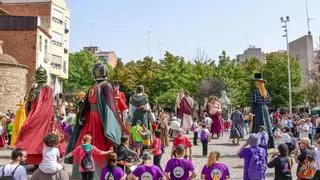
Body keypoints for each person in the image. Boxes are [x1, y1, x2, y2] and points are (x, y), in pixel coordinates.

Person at [66, 63, 127, 177]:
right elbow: (110, 106)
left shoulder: (92, 87)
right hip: (101, 120)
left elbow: (87, 105)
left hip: (90, 119)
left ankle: (82, 173)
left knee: (85, 143)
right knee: (100, 145)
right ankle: (99, 174)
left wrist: (82, 117)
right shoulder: (106, 86)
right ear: (104, 72)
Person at [16, 66, 63, 165]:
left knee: (27, 134)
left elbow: (28, 106)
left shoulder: (34, 90)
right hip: (43, 118)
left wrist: (30, 115)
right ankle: (36, 161)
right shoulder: (47, 89)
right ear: (45, 77)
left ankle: (30, 159)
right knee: (42, 139)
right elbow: (50, 106)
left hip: (33, 117)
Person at [251, 73, 274, 149]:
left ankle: (257, 144)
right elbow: (269, 100)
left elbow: (254, 102)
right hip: (265, 109)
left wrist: (252, 111)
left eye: (256, 82)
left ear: (257, 82)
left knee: (258, 125)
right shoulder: (265, 91)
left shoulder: (255, 91)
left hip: (258, 109)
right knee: (266, 124)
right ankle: (267, 143)